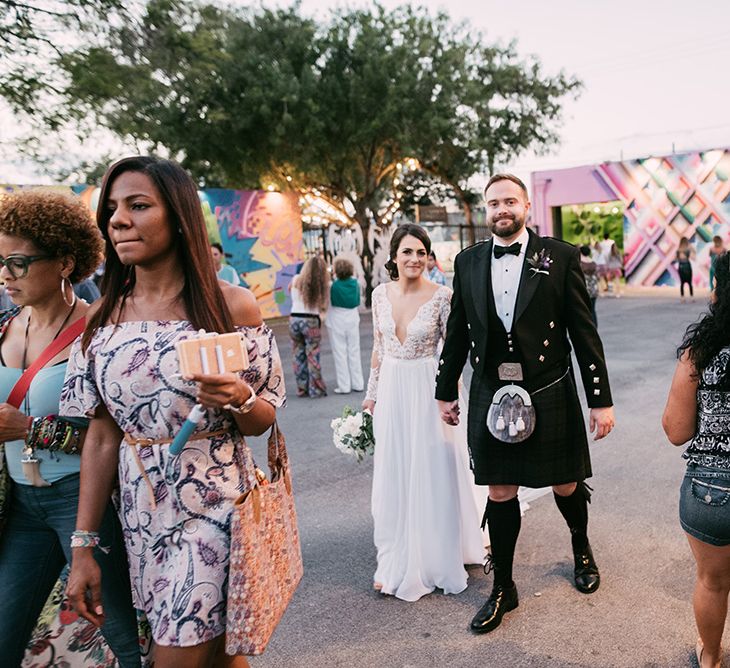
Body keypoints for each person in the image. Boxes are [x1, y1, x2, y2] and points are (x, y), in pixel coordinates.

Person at [60, 157, 285, 668]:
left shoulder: (232, 305)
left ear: (179, 217)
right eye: (112, 208)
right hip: (142, 513)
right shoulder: (101, 319)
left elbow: (263, 417)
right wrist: (83, 547)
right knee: (221, 659)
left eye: (138, 205)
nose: (118, 219)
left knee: (178, 654)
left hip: (217, 506)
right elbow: (99, 438)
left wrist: (238, 397)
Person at [436, 173, 615, 634]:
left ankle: (580, 546)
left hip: (548, 386)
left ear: (527, 207)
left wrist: (600, 400)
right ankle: (505, 587)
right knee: (499, 490)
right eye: (494, 202)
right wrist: (444, 389)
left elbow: (583, 332)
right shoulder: (469, 261)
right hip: (491, 390)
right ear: (485, 208)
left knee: (565, 482)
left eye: (510, 201)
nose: (502, 209)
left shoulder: (559, 256)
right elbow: (457, 330)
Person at [0, 190, 141, 667]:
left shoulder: (101, 327)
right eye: (0, 262)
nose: (5, 275)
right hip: (19, 507)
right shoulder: (2, 327)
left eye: (17, 262)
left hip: (81, 499)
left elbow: (115, 435)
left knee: (125, 638)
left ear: (64, 262)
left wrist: (31, 429)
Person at [362, 223, 484, 601]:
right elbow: (378, 350)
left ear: (428, 258)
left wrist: (453, 398)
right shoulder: (379, 295)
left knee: (432, 468)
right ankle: (392, 557)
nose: (414, 259)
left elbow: (454, 351)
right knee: (394, 470)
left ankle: (435, 553)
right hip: (393, 390)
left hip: (428, 388)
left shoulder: (443, 296)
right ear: (394, 256)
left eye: (421, 252)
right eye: (407, 252)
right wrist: (371, 396)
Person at [663, 251, 730, 668]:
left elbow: (676, 430)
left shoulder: (700, 352)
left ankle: (710, 658)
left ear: (719, 292)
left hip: (713, 487)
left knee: (713, 580)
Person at [289, 256, 329, 397]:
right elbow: (323, 305)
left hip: (294, 319)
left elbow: (290, 293)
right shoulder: (320, 284)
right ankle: (316, 389)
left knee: (298, 354)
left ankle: (302, 388)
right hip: (310, 321)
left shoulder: (295, 279)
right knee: (312, 355)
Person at [327, 257, 364, 394]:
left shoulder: (333, 286)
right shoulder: (355, 283)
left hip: (337, 318)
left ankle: (344, 386)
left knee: (340, 353)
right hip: (353, 317)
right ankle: (358, 383)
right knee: (354, 350)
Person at [579, 245, 599, 325]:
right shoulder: (593, 263)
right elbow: (597, 276)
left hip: (585, 288)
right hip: (594, 288)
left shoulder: (580, 263)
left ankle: (587, 326)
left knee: (584, 309)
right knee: (593, 309)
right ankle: (594, 325)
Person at [677, 237, 695, 302]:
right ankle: (692, 297)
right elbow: (694, 257)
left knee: (682, 283)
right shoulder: (688, 250)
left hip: (681, 266)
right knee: (690, 283)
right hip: (687, 266)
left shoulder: (678, 250)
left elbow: (676, 258)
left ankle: (682, 298)